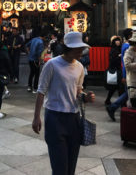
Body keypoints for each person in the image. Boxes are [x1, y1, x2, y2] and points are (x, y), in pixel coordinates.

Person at [32, 31, 95, 175]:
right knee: (60, 167)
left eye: (81, 49)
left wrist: (85, 97)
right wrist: (36, 117)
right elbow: (41, 91)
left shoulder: (79, 67)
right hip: (54, 118)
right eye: (78, 49)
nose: (81, 52)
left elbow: (78, 91)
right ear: (68, 48)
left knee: (71, 167)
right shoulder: (52, 65)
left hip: (74, 119)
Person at [106, 28, 133, 121]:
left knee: (128, 93)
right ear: (129, 36)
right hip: (128, 73)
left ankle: (114, 107)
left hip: (128, 73)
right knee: (129, 93)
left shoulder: (127, 45)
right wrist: (124, 76)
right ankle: (113, 107)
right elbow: (126, 63)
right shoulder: (127, 46)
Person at [104, 36, 123, 106]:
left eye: (119, 40)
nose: (118, 42)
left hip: (118, 70)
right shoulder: (113, 50)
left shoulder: (119, 49)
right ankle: (121, 102)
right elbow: (111, 60)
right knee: (118, 87)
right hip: (115, 70)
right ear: (113, 42)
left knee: (115, 87)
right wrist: (119, 56)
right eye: (116, 41)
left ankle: (108, 100)